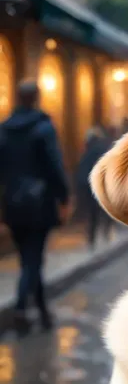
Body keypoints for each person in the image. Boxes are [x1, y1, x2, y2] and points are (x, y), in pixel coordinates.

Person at [0, 80, 70, 330]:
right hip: (39, 203)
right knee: (32, 260)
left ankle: (42, 310)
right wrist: (64, 195)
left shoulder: (5, 129)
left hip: (13, 204)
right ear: (36, 98)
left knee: (29, 258)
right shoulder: (43, 127)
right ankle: (21, 307)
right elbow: (54, 165)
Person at [76, 124, 112, 249]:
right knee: (100, 210)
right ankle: (103, 234)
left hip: (86, 182)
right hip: (97, 182)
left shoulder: (88, 149)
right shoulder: (102, 147)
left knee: (92, 212)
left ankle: (92, 239)